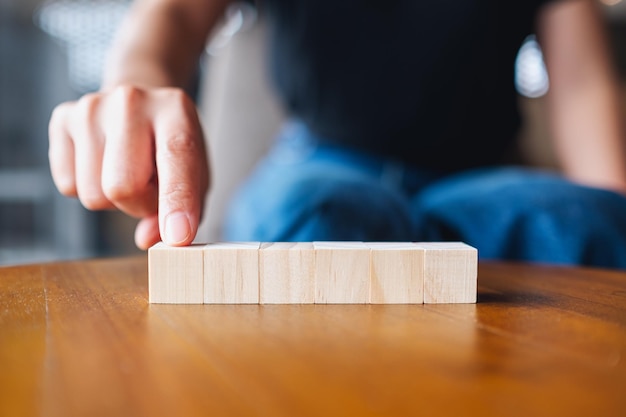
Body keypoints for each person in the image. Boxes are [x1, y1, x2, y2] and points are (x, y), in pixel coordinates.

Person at [48, 0, 626, 268]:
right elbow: (169, 16)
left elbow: (581, 84)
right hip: (324, 165)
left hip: (481, 182)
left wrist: (611, 212)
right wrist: (134, 84)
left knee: (587, 225)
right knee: (309, 217)